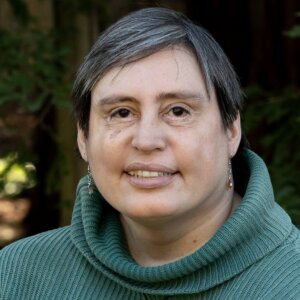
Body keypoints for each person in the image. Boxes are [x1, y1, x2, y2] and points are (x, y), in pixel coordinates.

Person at [1, 7, 299, 300]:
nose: (146, 140)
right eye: (121, 112)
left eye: (178, 111)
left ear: (231, 130)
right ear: (83, 137)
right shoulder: (18, 276)